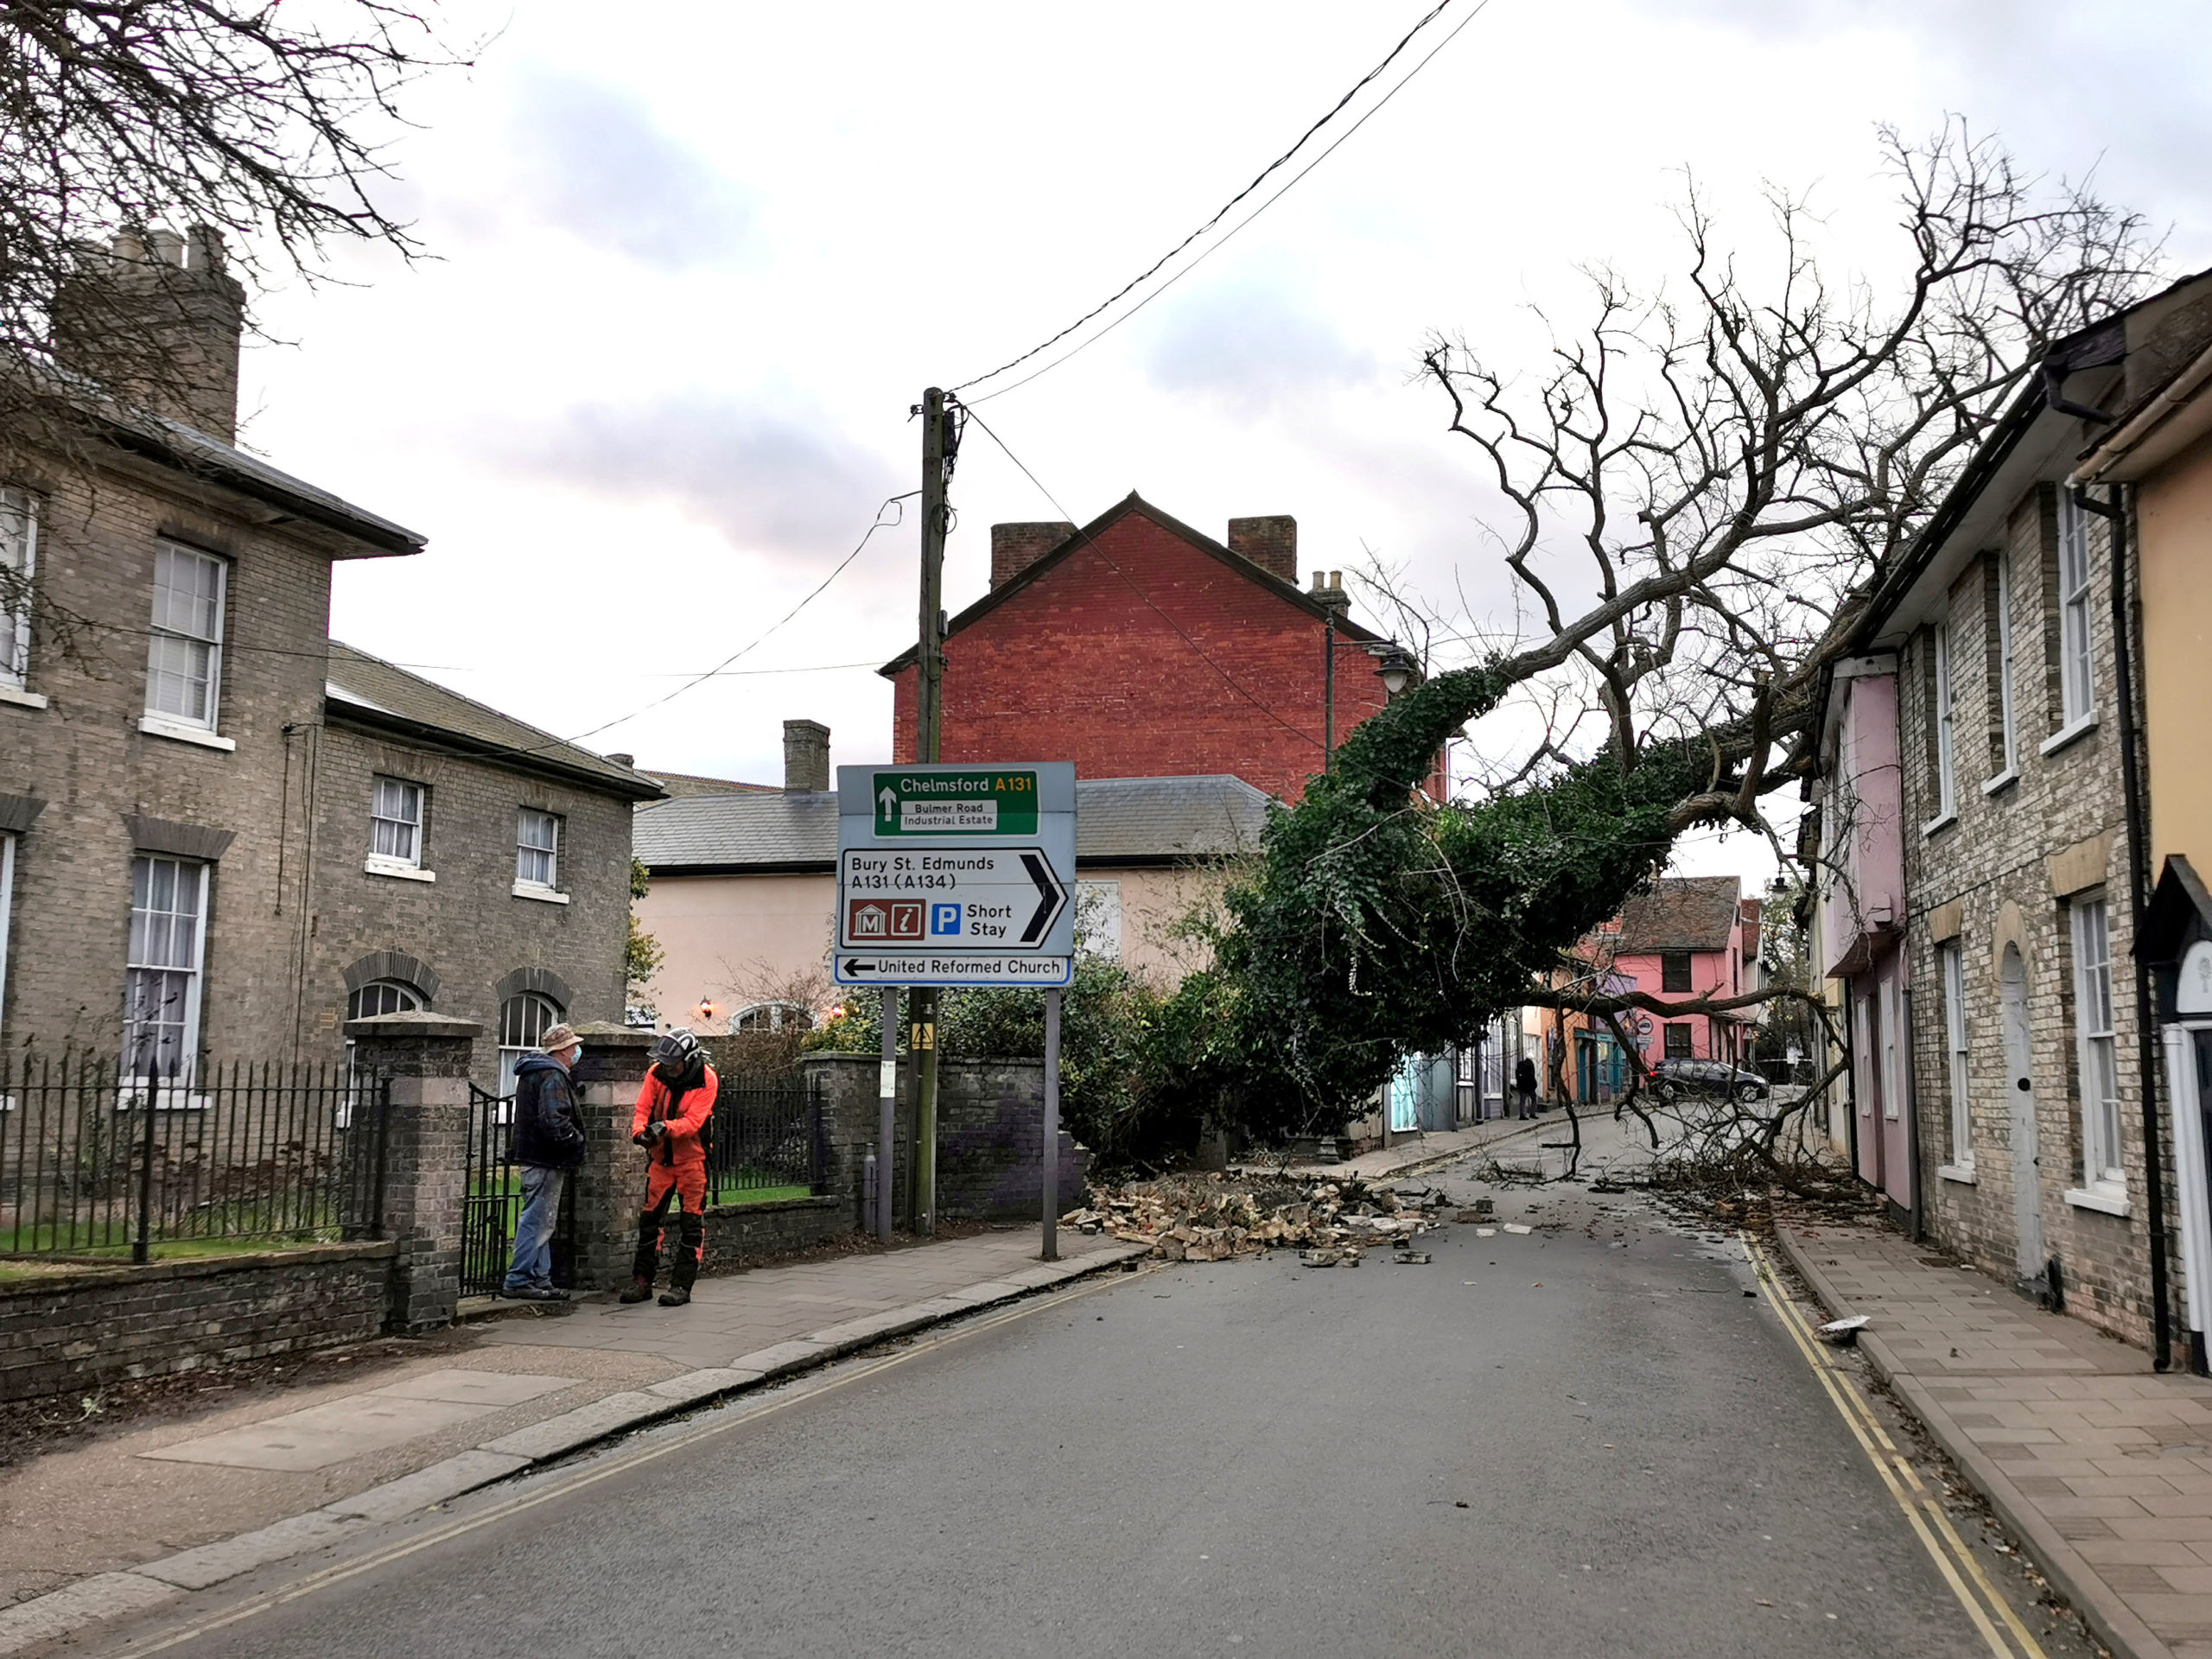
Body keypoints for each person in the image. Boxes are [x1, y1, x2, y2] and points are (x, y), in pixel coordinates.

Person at [620, 1027, 718, 1308]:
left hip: (693, 1162)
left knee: (691, 1225)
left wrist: (664, 1128)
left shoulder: (707, 1080)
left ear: (689, 1059)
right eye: (664, 1062)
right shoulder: (656, 1073)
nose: (668, 1068)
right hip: (661, 1161)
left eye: (672, 1063)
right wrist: (640, 1132)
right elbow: (642, 1108)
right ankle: (642, 1282)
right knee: (649, 1222)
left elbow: (693, 1123)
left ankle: (681, 1287)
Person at [503, 1024, 585, 1300]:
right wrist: (576, 1140)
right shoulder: (553, 1075)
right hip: (545, 1158)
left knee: (542, 1220)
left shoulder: (533, 1073)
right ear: (561, 1051)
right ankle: (519, 1278)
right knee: (536, 1220)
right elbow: (554, 1120)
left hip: (533, 1156)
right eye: (573, 1048)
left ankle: (541, 1278)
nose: (576, 1052)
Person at [1515, 1053, 1540, 1120]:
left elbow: (1517, 1075)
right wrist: (1534, 1085)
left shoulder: (1519, 1064)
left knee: (1522, 1101)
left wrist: (1518, 1083)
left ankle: (1522, 1114)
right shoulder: (1531, 1066)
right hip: (1530, 1087)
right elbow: (1531, 1076)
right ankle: (1532, 1113)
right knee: (1534, 1099)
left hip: (1521, 1086)